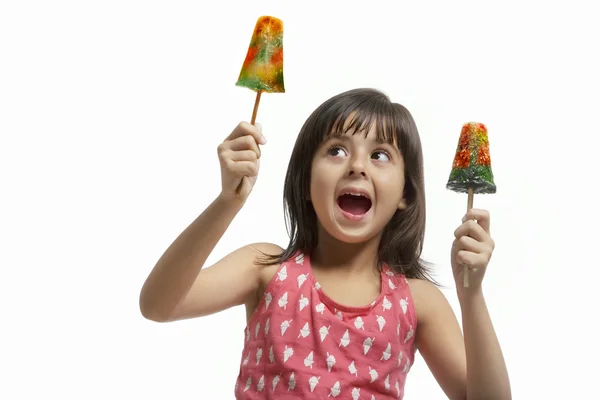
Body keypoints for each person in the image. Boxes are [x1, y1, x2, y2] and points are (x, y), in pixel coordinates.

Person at [139, 88, 511, 400]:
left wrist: (471, 295)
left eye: (380, 155)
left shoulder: (417, 301)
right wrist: (227, 202)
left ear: (405, 194)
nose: (357, 166)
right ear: (304, 182)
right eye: (336, 150)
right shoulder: (265, 268)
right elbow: (158, 305)